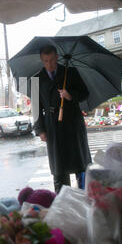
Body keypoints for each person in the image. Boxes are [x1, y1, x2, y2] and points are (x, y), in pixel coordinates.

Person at [33, 45, 92, 193]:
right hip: (52, 127)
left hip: (73, 124)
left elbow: (85, 93)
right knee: (59, 169)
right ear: (42, 60)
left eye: (52, 60)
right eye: (46, 61)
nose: (50, 64)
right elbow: (36, 108)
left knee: (81, 165)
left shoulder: (70, 72)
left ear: (57, 57)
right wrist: (40, 130)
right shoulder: (35, 80)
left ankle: (86, 196)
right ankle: (63, 201)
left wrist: (70, 95)